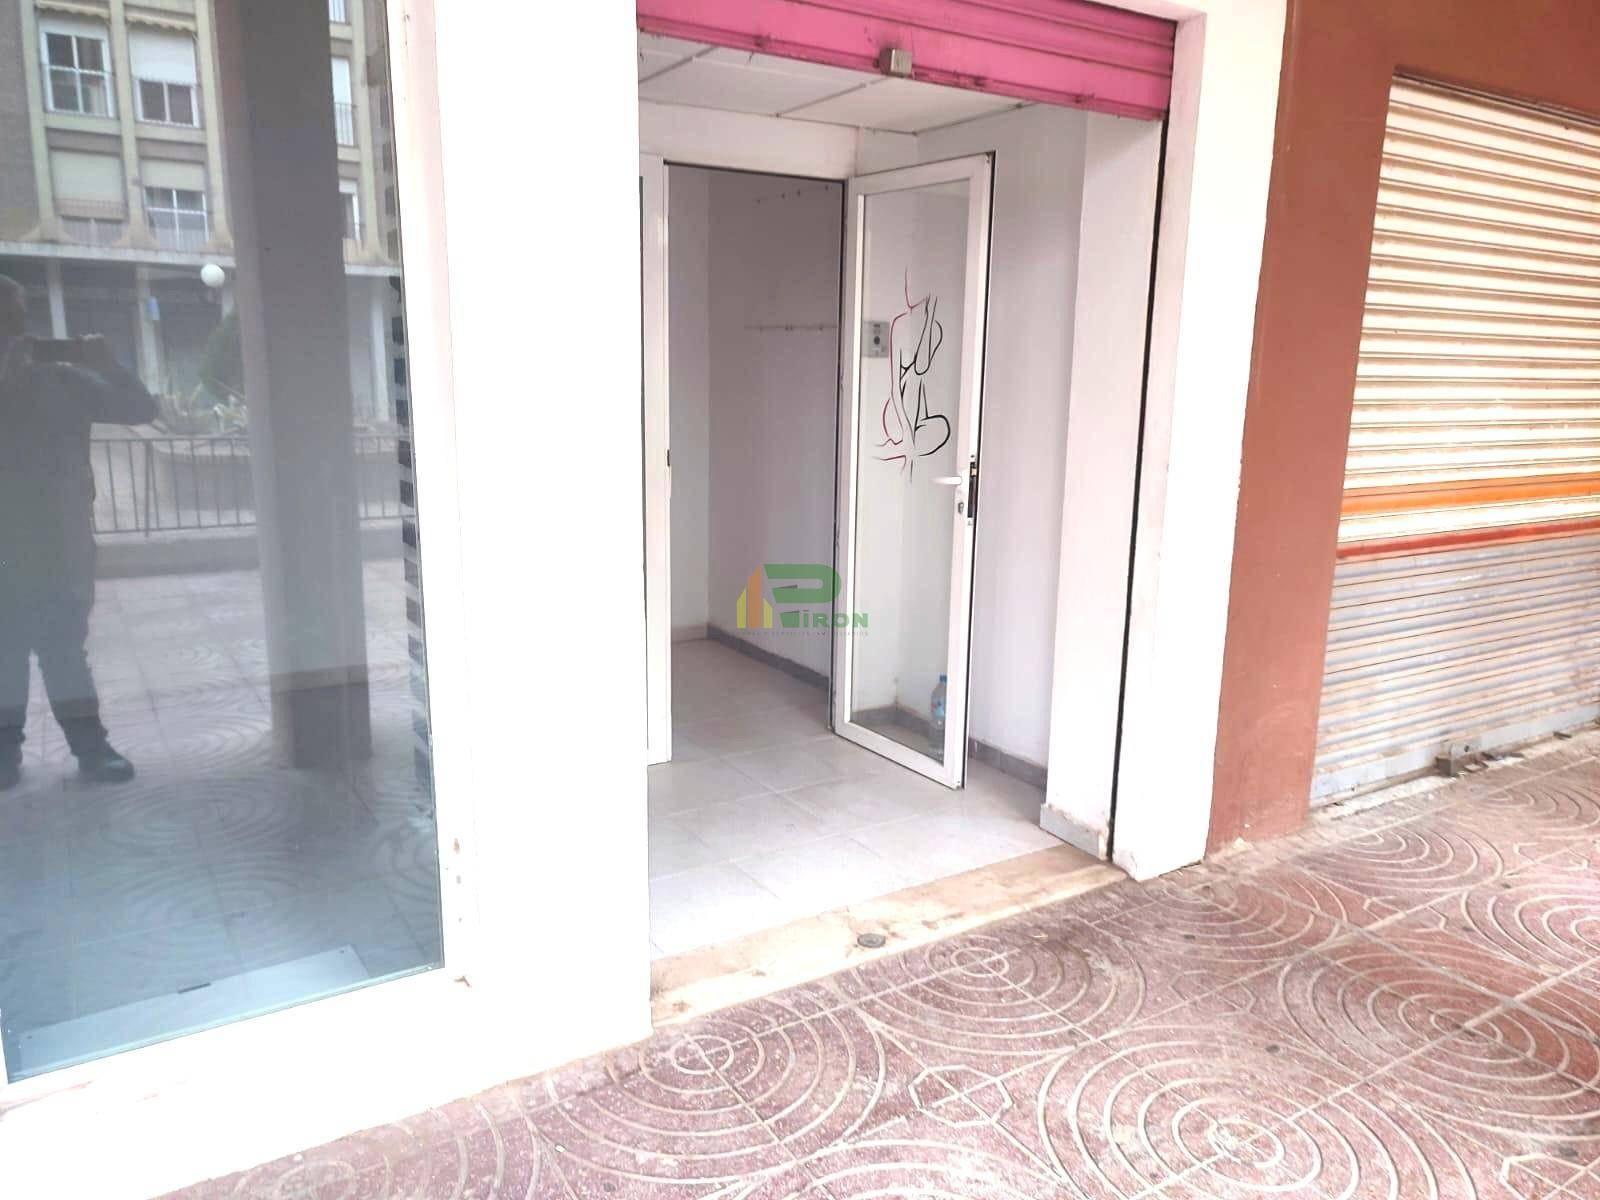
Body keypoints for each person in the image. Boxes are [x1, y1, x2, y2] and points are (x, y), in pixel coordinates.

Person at [0, 274, 156, 790]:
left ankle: (90, 748)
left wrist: (105, 365)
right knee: (5, 655)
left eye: (13, 318)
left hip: (57, 544)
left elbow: (142, 409)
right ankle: (5, 754)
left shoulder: (60, 381)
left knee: (64, 650)